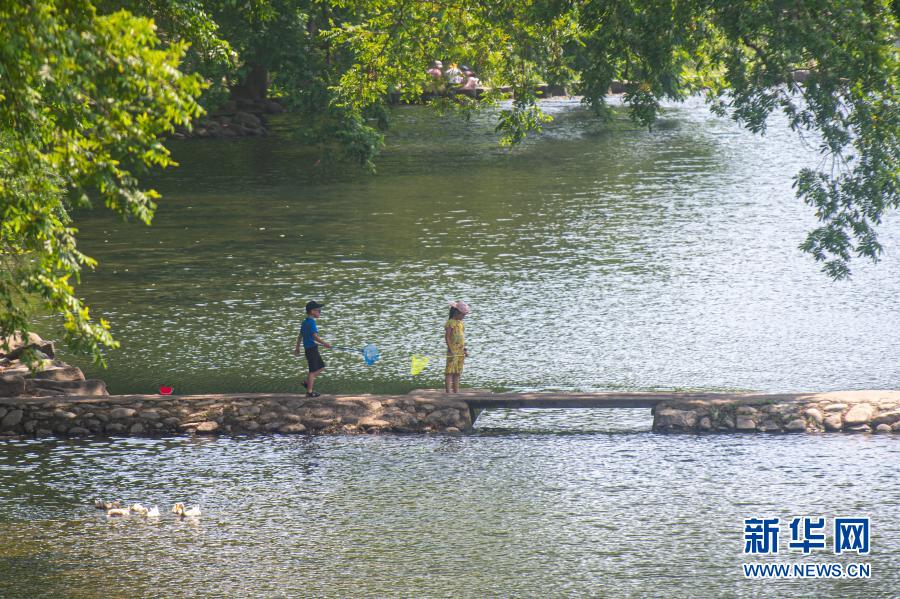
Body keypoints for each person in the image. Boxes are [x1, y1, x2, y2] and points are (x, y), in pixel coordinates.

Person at [293, 300, 332, 397]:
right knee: (312, 371)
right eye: (318, 310)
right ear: (312, 311)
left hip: (309, 348)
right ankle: (309, 392)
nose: (320, 312)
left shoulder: (305, 322)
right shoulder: (311, 323)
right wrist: (325, 343)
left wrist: (297, 348)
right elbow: (314, 336)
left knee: (321, 367)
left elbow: (300, 336)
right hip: (311, 349)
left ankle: (308, 382)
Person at [444, 300, 469, 393]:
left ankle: (456, 391)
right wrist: (451, 350)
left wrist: (465, 350)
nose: (463, 317)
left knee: (457, 372)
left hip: (460, 351)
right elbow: (447, 337)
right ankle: (448, 392)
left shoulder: (461, 323)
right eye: (462, 315)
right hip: (452, 351)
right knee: (449, 372)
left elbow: (462, 338)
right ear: (456, 313)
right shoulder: (450, 322)